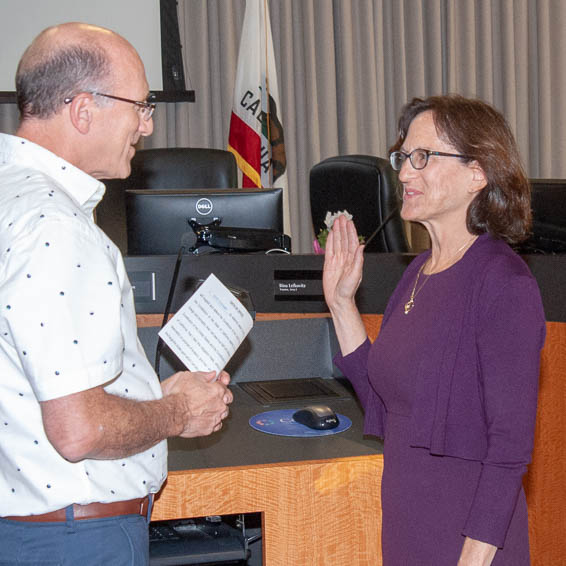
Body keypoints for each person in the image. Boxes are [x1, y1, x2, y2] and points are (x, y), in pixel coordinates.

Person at [0, 23, 233, 565]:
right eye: (141, 105)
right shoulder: (55, 225)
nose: (147, 125)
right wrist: (176, 412)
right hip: (74, 540)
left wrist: (151, 397)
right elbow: (78, 430)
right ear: (83, 110)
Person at [323, 94, 545, 565]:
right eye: (404, 157)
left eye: (424, 157)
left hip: (471, 544)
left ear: (477, 173)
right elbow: (387, 408)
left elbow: (510, 447)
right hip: (408, 530)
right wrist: (341, 303)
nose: (404, 173)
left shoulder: (504, 283)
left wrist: (473, 558)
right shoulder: (417, 272)